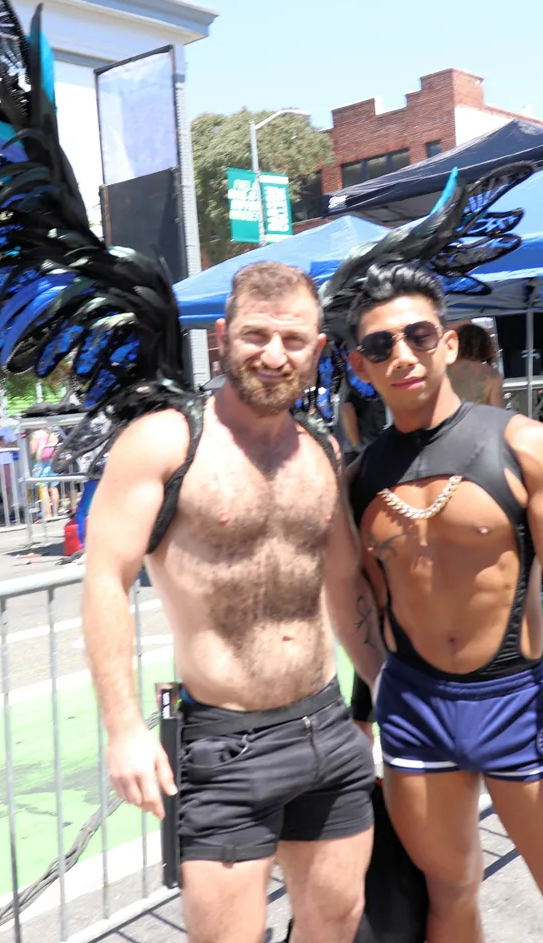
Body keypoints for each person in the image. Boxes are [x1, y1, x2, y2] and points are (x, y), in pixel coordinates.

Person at [81, 262, 383, 943]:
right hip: (225, 749)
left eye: (293, 339)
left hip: (327, 728)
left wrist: (384, 684)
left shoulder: (321, 448)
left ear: (317, 349)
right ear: (221, 338)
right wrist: (123, 728)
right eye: (256, 335)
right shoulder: (165, 442)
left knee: (336, 923)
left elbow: (344, 582)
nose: (274, 355)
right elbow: (105, 580)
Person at [342, 267, 543, 943]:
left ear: (448, 343)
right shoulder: (359, 479)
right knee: (448, 899)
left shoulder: (524, 446)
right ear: (360, 365)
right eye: (381, 345)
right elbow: (372, 613)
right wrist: (361, 720)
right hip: (414, 713)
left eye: (418, 335)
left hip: (517, 705)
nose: (402, 355)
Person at [447, 322, 504, 407]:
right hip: (479, 415)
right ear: (485, 346)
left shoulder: (445, 370)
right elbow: (498, 409)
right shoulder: (492, 375)